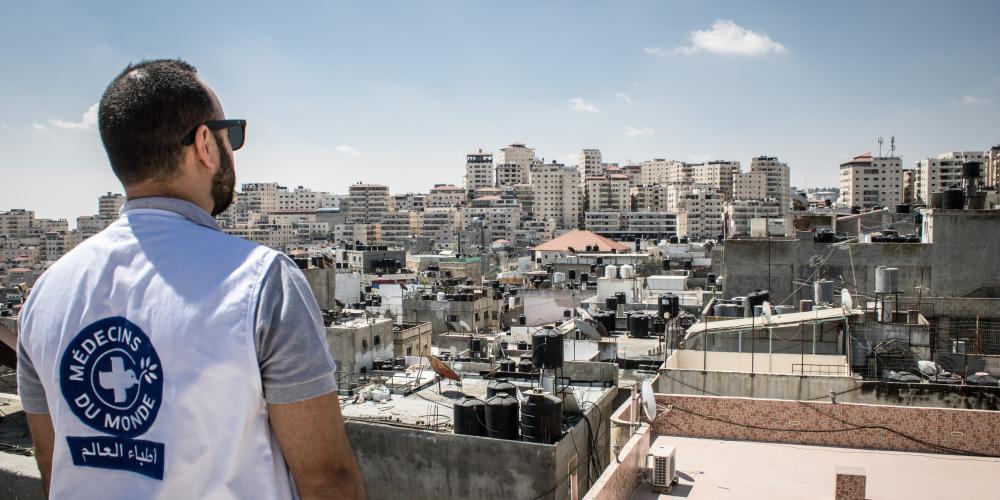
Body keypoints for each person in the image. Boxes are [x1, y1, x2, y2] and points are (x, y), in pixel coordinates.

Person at [16, 59, 366, 499]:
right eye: (229, 135)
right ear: (204, 144)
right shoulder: (261, 282)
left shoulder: (45, 294)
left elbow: (54, 464)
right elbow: (326, 478)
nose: (232, 150)